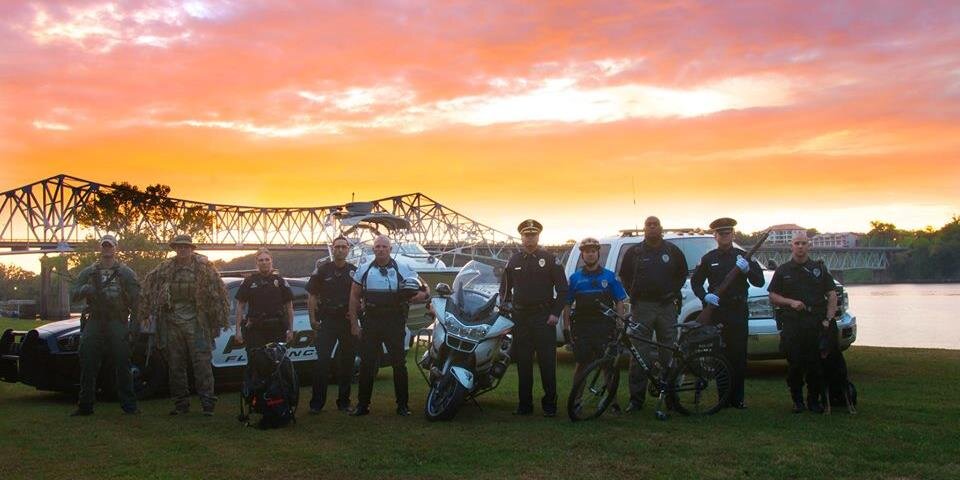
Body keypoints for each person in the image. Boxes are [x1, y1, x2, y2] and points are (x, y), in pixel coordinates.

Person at [140, 234, 230, 416]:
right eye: (179, 247)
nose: (183, 250)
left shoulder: (204, 268)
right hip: (172, 323)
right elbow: (148, 287)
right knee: (175, 365)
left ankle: (207, 404)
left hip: (198, 324)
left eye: (186, 247)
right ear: (175, 249)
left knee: (202, 365)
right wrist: (145, 311)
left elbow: (219, 294)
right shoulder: (165, 268)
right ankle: (181, 404)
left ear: (191, 248)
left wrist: (219, 318)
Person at [349, 235, 429, 417]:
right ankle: (362, 405)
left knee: (399, 364)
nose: (380, 249)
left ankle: (402, 406)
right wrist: (354, 324)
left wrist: (414, 297)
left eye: (384, 246)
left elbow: (425, 290)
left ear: (390, 249)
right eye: (377, 246)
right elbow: (354, 296)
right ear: (373, 249)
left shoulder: (403, 268)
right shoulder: (364, 269)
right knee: (367, 364)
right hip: (371, 320)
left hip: (394, 320)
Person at [690, 218, 764, 409]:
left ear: (733, 234)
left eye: (728, 233)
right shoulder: (709, 258)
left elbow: (759, 282)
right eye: (721, 233)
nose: (725, 236)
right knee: (720, 355)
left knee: (739, 355)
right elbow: (696, 282)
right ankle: (723, 398)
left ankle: (738, 399)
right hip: (718, 312)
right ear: (715, 236)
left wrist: (747, 270)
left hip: (738, 310)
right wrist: (705, 296)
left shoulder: (743, 257)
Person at [617, 216, 688, 411]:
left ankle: (672, 398)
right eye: (649, 224)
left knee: (669, 353)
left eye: (655, 224)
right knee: (639, 354)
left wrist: (672, 292)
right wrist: (634, 294)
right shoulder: (635, 252)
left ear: (661, 228)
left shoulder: (672, 251)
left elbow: (682, 274)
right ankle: (636, 400)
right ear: (644, 229)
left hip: (667, 308)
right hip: (643, 308)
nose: (652, 227)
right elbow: (624, 275)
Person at [499, 219, 569, 417]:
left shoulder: (550, 259)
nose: (530, 238)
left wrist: (555, 313)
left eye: (533, 235)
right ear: (521, 237)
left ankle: (549, 405)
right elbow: (504, 289)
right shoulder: (513, 261)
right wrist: (506, 308)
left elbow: (563, 290)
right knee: (523, 363)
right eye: (526, 235)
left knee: (547, 363)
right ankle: (525, 405)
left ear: (538, 236)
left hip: (543, 317)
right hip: (521, 318)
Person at [69, 234, 141, 416]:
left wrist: (134, 327)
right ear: (100, 248)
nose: (107, 249)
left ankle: (129, 405)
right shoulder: (89, 272)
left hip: (117, 320)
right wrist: (86, 289)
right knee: (87, 360)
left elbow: (136, 301)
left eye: (110, 246)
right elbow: (74, 293)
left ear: (116, 248)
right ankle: (85, 405)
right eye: (104, 246)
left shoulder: (126, 273)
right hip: (95, 320)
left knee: (122, 361)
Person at [768, 233, 838, 414]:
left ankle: (814, 400)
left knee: (815, 365)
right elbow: (773, 296)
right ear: (791, 246)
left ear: (809, 246)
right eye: (797, 243)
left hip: (815, 324)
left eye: (803, 243)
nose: (800, 246)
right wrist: (790, 302)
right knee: (795, 365)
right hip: (792, 324)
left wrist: (828, 319)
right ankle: (797, 400)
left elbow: (832, 295)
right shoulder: (783, 271)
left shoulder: (819, 269)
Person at [563, 237, 627, 381]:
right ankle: (576, 400)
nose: (590, 254)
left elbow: (619, 302)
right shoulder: (574, 278)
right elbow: (567, 305)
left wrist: (619, 323)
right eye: (586, 252)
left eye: (593, 251)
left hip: (604, 327)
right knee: (581, 365)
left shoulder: (609, 276)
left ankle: (611, 401)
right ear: (582, 255)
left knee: (607, 365)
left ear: (598, 254)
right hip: (582, 327)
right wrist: (566, 329)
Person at [307, 236, 357, 413]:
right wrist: (312, 319)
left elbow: (360, 297)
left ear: (348, 249)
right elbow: (312, 296)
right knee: (321, 363)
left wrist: (355, 320)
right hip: (327, 321)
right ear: (333, 249)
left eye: (344, 247)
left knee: (347, 363)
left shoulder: (354, 271)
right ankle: (316, 404)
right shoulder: (322, 270)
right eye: (337, 247)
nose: (340, 250)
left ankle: (344, 402)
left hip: (345, 322)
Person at [234, 248, 293, 358]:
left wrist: (291, 329)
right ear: (256, 262)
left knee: (278, 364)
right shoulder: (249, 281)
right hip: (255, 330)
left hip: (277, 329)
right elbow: (240, 306)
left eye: (267, 259)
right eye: (261, 260)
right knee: (256, 364)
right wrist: (238, 331)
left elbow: (289, 307)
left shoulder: (280, 281)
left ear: (271, 261)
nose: (264, 262)